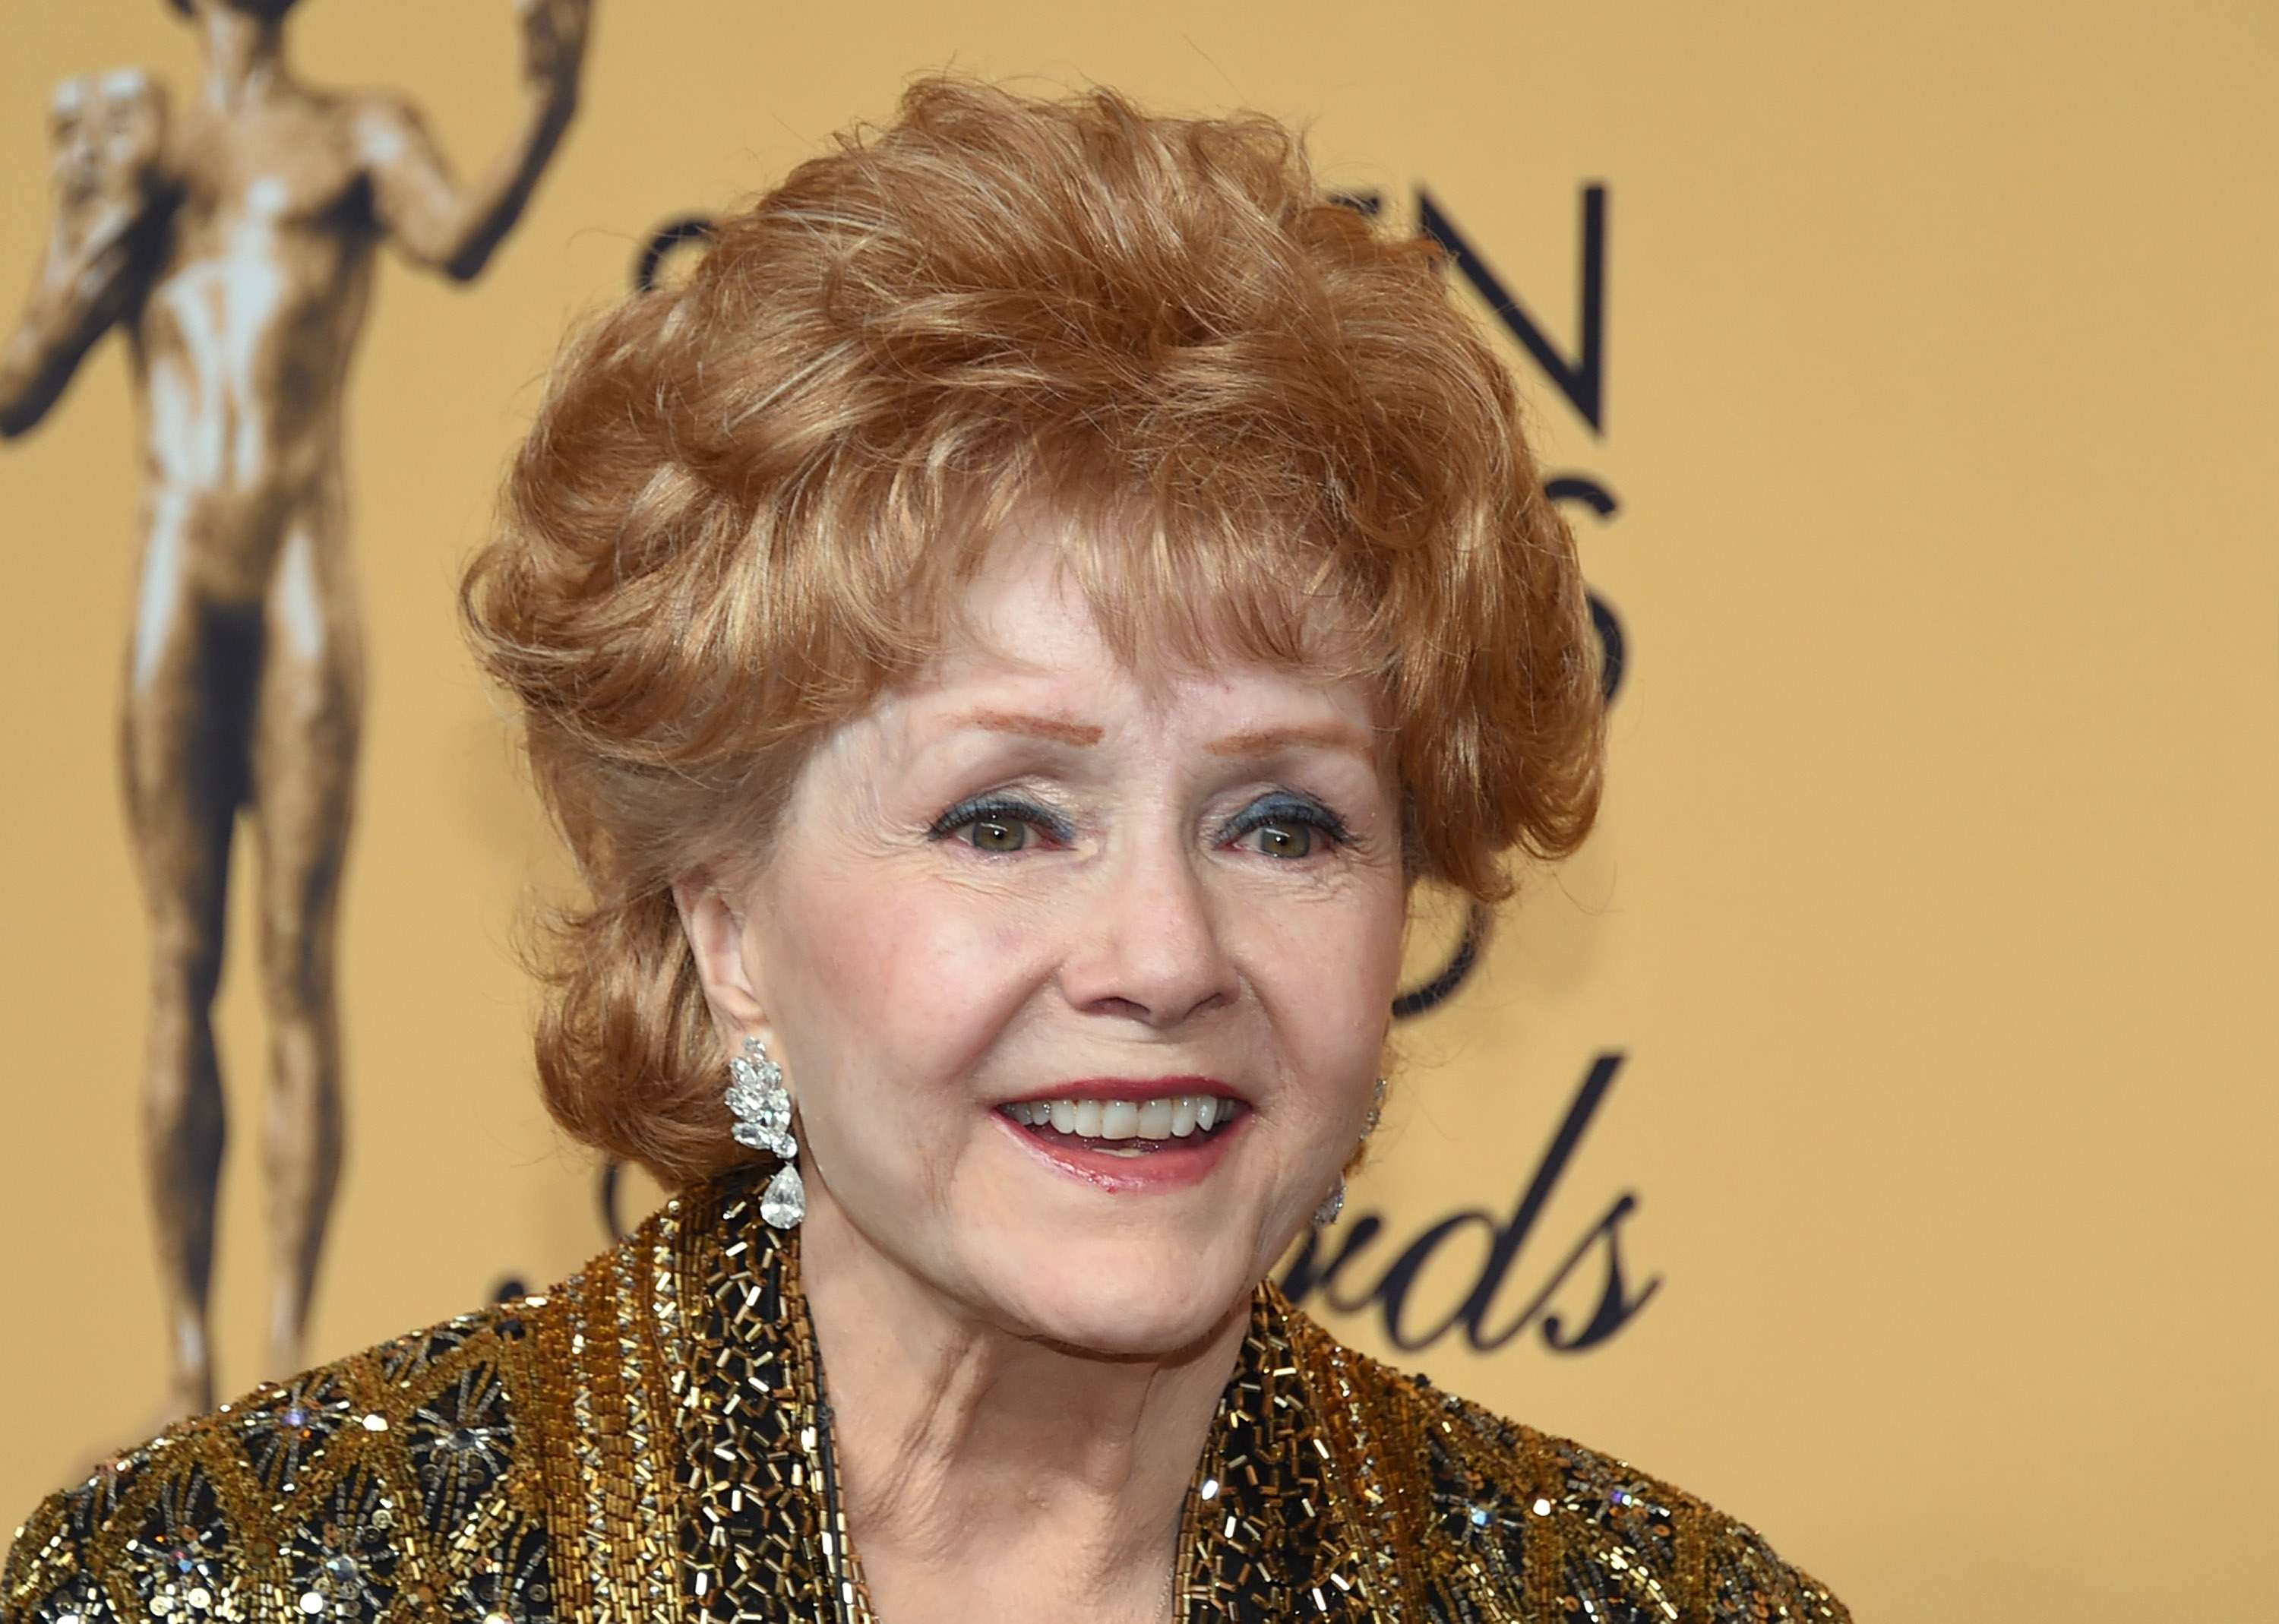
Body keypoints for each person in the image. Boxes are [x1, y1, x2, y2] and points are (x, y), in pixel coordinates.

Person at [0, 80, 1848, 1624]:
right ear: (726, 927)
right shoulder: (230, 1581)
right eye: (1004, 817)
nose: (1162, 951)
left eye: (1284, 822)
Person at [0, 0, 590, 1421]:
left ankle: (277, 1360)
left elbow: (456, 237)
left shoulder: (355, 134)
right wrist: (95, 238)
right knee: (178, 959)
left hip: (296, 574)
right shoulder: (140, 148)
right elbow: (21, 386)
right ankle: (190, 1365)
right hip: (171, 570)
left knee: (292, 963)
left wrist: (550, 108)